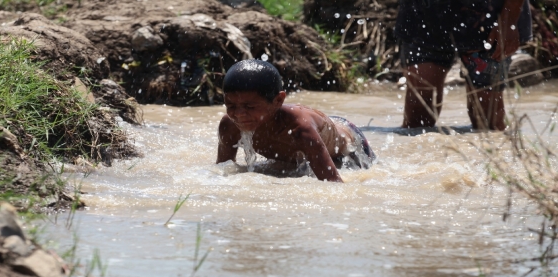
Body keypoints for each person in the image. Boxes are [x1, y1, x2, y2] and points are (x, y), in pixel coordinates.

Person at [216, 59, 376, 183]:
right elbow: (224, 170)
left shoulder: (301, 130)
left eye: (249, 106)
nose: (239, 114)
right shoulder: (229, 125)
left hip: (349, 144)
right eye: (230, 105)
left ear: (278, 100)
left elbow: (333, 184)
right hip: (318, 126)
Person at [395, 0, 533, 130]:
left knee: (487, 120)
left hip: (488, 17)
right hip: (424, 14)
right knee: (417, 119)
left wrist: (508, 21)